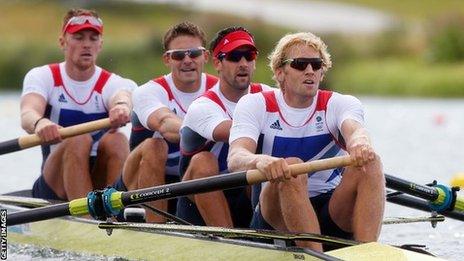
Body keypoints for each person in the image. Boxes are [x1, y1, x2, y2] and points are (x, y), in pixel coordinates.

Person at [227, 32, 385, 250]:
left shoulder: (339, 103)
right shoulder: (255, 104)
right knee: (291, 166)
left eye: (316, 64)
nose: (310, 70)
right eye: (300, 64)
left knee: (371, 161)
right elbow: (236, 156)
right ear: (280, 72)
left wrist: (360, 144)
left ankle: (368, 251)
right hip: (275, 215)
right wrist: (261, 161)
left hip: (330, 209)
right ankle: (314, 253)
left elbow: (356, 131)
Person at [20, 8, 136, 201]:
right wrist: (40, 124)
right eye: (79, 37)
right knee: (78, 139)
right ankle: (87, 220)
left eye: (93, 38)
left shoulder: (114, 83)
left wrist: (121, 107)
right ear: (62, 42)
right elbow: (28, 113)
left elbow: (123, 96)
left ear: (101, 45)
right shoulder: (43, 76)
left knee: (118, 140)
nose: (87, 45)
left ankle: (115, 214)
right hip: (53, 184)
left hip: (97, 176)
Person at [113, 22, 218, 223]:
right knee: (155, 146)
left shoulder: (221, 89)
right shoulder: (148, 91)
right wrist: (213, 128)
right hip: (138, 186)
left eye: (194, 53)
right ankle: (156, 230)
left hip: (189, 180)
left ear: (205, 56)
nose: (187, 60)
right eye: (179, 55)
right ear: (167, 59)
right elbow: (165, 123)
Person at [176, 26, 271, 228]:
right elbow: (239, 131)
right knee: (204, 160)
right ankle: (229, 238)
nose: (244, 63)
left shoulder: (268, 94)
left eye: (249, 56)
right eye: (235, 57)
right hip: (197, 203)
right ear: (218, 63)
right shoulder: (202, 107)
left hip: (246, 193)